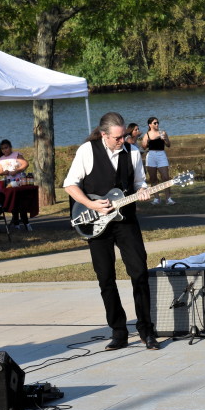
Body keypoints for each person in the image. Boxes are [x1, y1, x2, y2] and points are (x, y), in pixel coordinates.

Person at [63, 112, 158, 350]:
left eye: (124, 135)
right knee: (106, 277)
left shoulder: (133, 152)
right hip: (95, 222)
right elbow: (70, 184)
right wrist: (91, 204)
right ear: (104, 135)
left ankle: (147, 330)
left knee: (139, 273)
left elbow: (139, 183)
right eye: (117, 137)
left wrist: (144, 190)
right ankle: (118, 331)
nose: (122, 140)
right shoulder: (87, 150)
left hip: (126, 220)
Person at [140, 117, 174, 205]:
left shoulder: (162, 133)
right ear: (150, 125)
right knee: (153, 178)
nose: (157, 124)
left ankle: (168, 198)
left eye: (157, 122)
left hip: (161, 154)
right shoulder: (147, 134)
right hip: (151, 155)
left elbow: (169, 145)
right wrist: (146, 142)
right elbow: (143, 147)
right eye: (155, 123)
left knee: (166, 177)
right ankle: (156, 198)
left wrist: (165, 139)